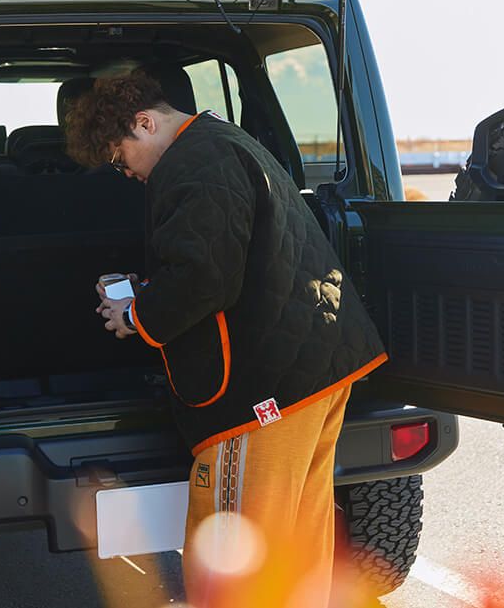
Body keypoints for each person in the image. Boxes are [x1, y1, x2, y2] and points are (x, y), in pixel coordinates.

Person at [64, 70, 388, 607]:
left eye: (121, 158)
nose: (127, 173)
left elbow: (204, 278)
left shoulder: (193, 163)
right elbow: (232, 258)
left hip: (264, 391)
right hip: (317, 369)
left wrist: (135, 315)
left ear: (145, 123)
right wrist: (147, 290)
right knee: (297, 537)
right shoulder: (225, 140)